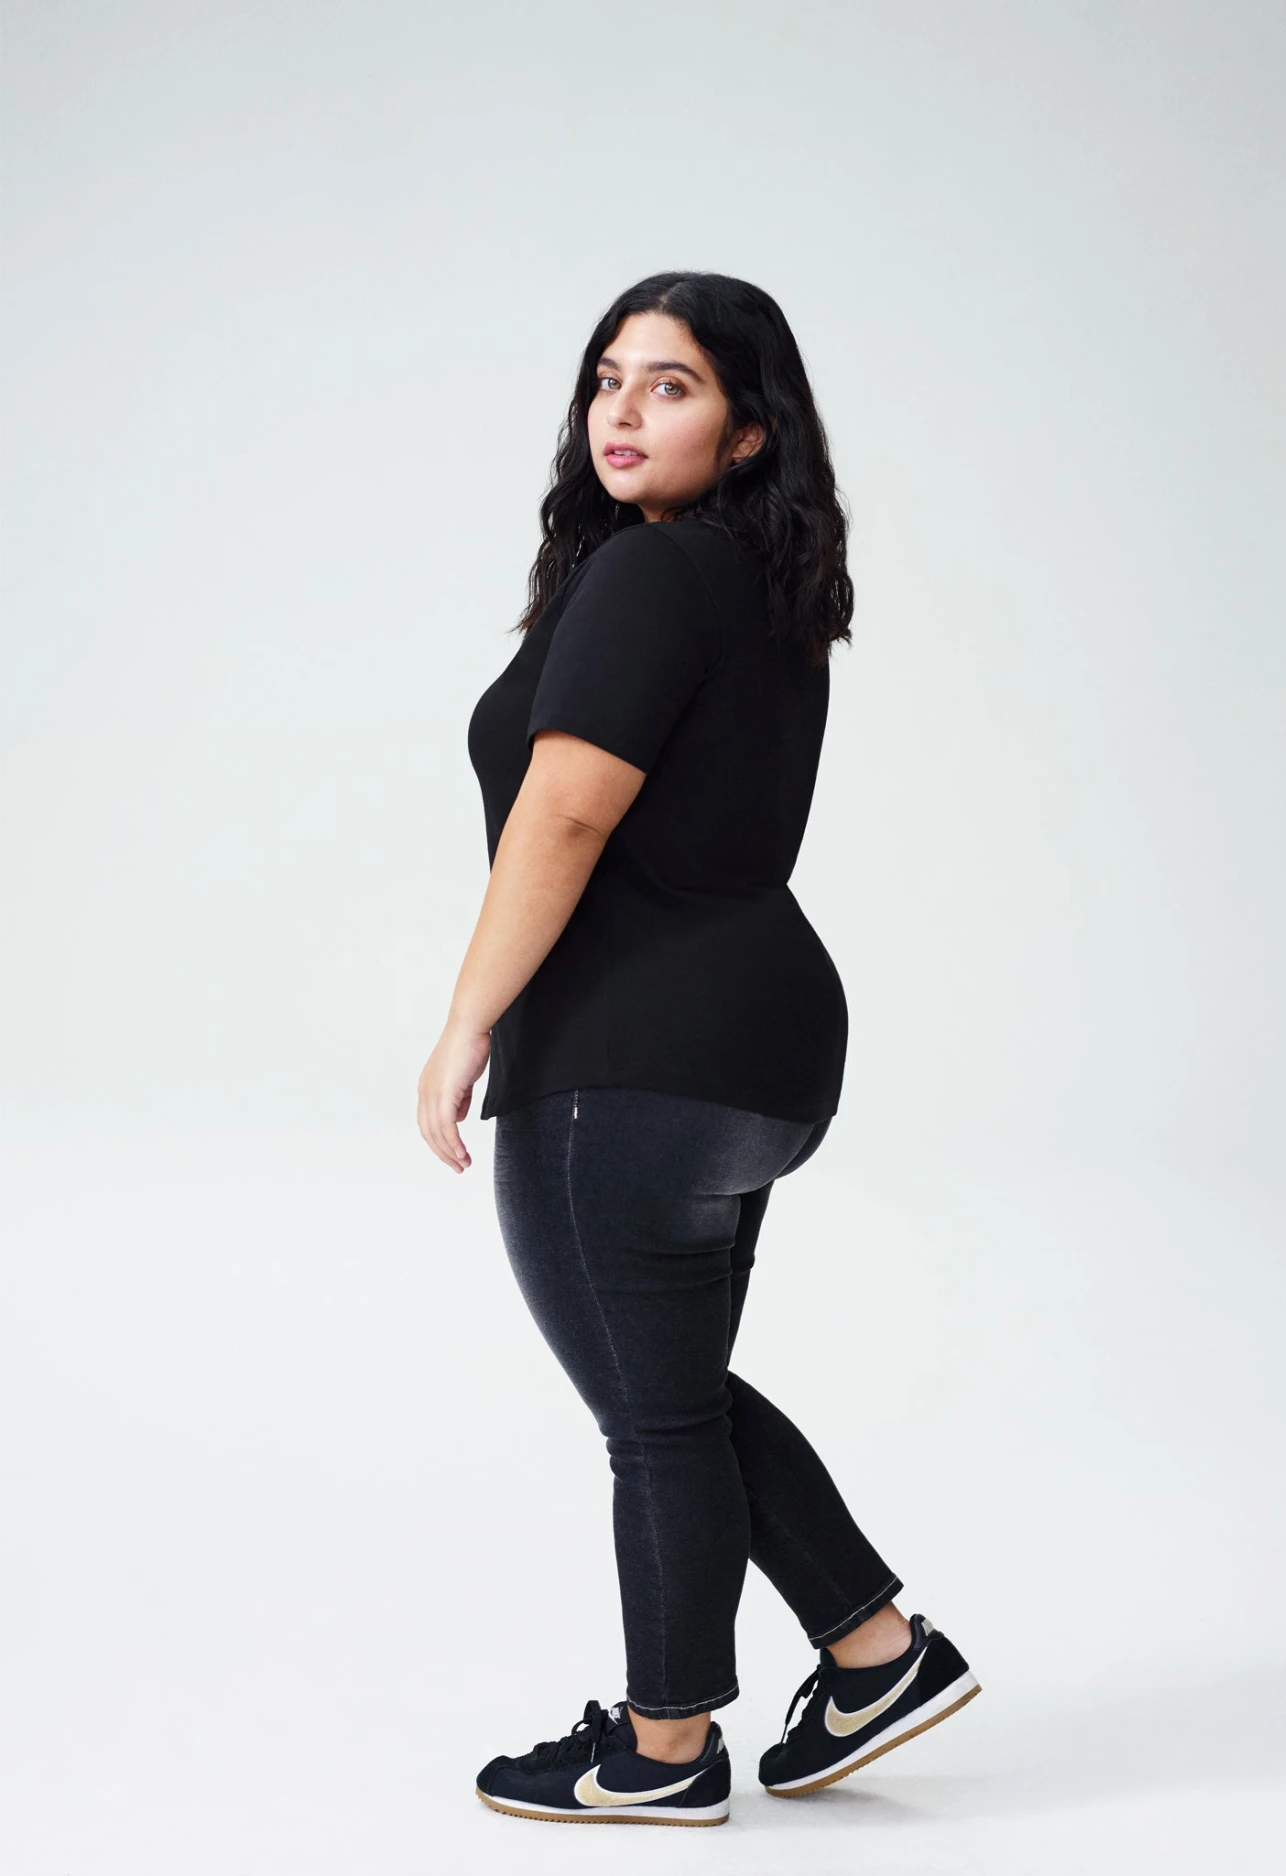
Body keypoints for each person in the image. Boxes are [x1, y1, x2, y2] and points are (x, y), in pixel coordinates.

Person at [417, 272, 980, 1827]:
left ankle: (663, 1750)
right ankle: (874, 1652)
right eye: (608, 377)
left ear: (747, 432)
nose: (621, 409)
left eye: (669, 385)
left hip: (629, 1048)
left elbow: (567, 812)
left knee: (654, 1412)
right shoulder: (762, 586)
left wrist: (465, 1021)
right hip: (762, 1046)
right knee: (674, 1388)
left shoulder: (655, 575)